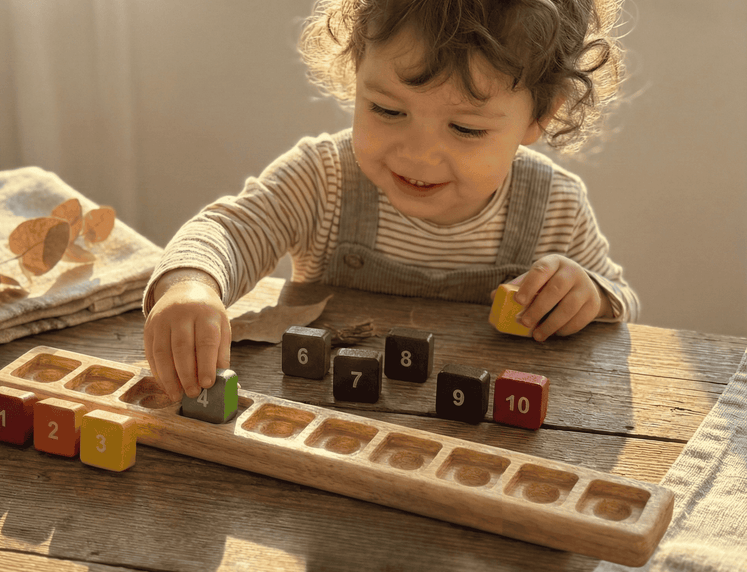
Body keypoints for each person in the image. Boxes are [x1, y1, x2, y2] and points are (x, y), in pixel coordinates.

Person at [142, 0, 640, 402]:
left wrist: (589, 296)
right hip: (310, 423)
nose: (418, 154)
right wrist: (191, 285)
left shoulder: (554, 205)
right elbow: (228, 231)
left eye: (466, 128)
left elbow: (621, 304)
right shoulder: (324, 179)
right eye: (386, 109)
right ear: (357, 71)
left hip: (474, 447)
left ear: (539, 117)